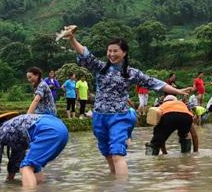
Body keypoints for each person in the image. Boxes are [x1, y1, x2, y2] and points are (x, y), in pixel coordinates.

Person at [67, 31, 190, 177]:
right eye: (109, 51)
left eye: (115, 51)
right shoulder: (100, 67)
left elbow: (154, 83)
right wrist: (72, 39)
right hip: (99, 117)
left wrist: (177, 91)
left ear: (124, 53)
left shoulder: (131, 73)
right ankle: (113, 189)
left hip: (119, 117)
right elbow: (85, 54)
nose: (112, 54)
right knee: (106, 152)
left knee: (117, 153)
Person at [0, 112, 69, 188]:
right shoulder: (13, 126)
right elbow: (17, 156)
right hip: (61, 128)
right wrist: (10, 180)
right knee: (34, 166)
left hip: (47, 131)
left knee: (26, 168)